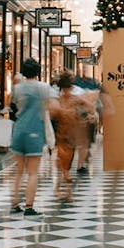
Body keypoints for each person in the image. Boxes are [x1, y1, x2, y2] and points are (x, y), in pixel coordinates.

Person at [9, 58, 48, 216]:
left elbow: (12, 106)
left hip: (18, 131)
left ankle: (14, 204)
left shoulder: (17, 89)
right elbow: (51, 106)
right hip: (34, 131)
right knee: (32, 172)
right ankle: (29, 207)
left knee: (19, 171)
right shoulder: (43, 88)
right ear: (37, 72)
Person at [50, 71, 97, 201]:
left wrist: (87, 116)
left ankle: (62, 187)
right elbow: (90, 105)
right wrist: (88, 116)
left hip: (65, 134)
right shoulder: (71, 99)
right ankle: (64, 188)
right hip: (67, 133)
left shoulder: (60, 99)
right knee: (65, 161)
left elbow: (52, 113)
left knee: (63, 160)